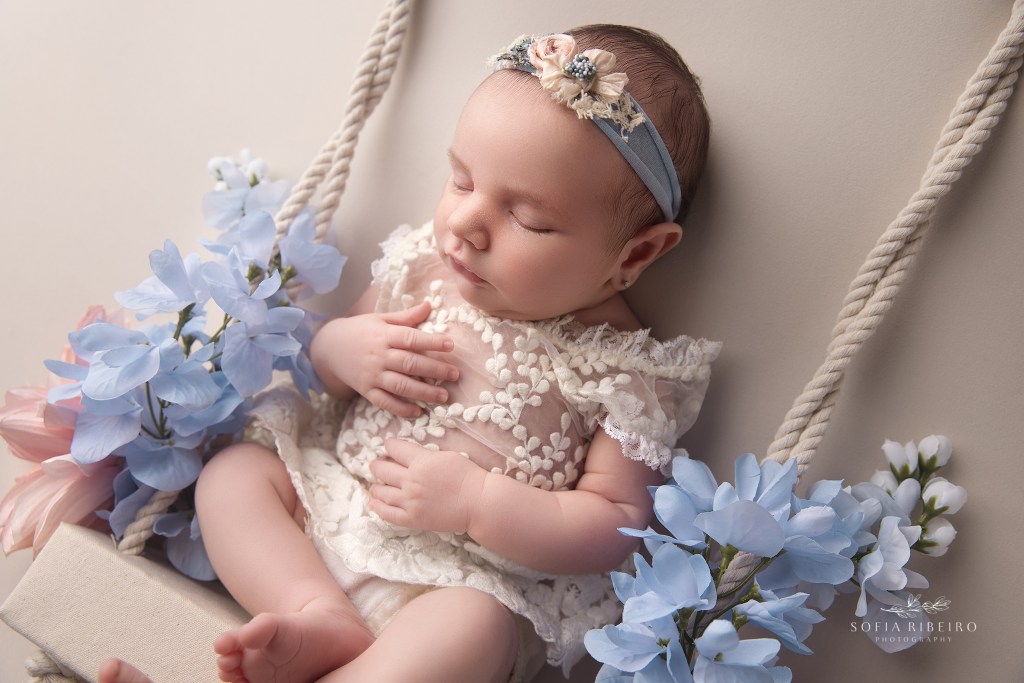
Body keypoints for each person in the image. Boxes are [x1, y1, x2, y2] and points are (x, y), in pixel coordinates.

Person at [100, 23, 718, 683]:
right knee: (235, 476)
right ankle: (313, 610)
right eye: (461, 179)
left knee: (474, 630)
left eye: (528, 218)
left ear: (637, 255)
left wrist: (478, 502)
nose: (465, 223)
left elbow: (616, 522)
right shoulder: (422, 266)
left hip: (442, 586)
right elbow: (325, 370)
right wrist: (345, 349)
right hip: (327, 504)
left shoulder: (626, 371)